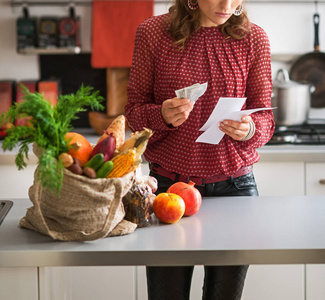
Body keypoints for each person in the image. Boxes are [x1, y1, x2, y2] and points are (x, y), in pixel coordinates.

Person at [125, 0, 275, 299]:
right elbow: (133, 112)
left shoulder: (254, 38)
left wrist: (250, 129)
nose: (227, 5)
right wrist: (162, 116)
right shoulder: (153, 33)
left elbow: (266, 121)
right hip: (168, 188)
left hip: (235, 189)